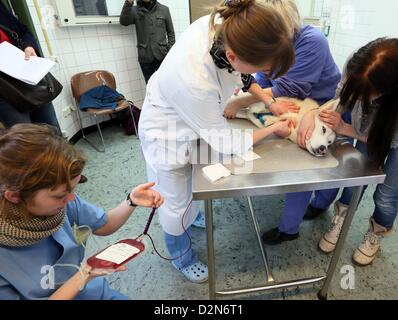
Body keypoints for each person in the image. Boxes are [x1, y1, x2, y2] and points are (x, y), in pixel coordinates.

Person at [138, 0, 296, 283]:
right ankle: (180, 255)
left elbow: (244, 75)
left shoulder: (226, 29)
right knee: (174, 202)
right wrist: (273, 130)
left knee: (194, 183)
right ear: (234, 56)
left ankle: (192, 212)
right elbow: (226, 142)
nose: (263, 72)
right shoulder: (195, 80)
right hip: (167, 134)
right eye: (263, 66)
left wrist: (270, 104)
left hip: (197, 120)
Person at [222, 0, 342, 245]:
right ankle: (299, 216)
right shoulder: (272, 43)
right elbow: (262, 77)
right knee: (294, 158)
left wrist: (238, 103)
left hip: (323, 107)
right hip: (293, 102)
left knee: (313, 165)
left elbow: (288, 86)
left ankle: (305, 216)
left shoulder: (313, 42)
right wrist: (250, 96)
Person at [0, 124, 164, 300]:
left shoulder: (63, 203)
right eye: (61, 195)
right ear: (14, 196)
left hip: (91, 292)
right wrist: (85, 273)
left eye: (72, 190)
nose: (71, 199)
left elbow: (105, 224)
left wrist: (131, 201)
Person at [307, 38, 398, 266]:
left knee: (386, 197)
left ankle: (375, 235)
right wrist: (315, 114)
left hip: (390, 132)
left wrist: (347, 129)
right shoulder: (357, 63)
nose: (359, 97)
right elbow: (340, 98)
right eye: (357, 88)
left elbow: (392, 139)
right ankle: (342, 220)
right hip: (365, 128)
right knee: (355, 178)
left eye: (367, 92)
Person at [0, 1, 60, 130]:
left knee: (51, 128)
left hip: (28, 77)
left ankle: (59, 150)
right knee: (25, 138)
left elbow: (24, 31)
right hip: (4, 91)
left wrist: (29, 46)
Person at [120, 0, 176, 83]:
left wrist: (169, 52)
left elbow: (171, 33)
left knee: (166, 83)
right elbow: (124, 22)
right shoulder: (135, 10)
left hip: (162, 55)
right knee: (150, 85)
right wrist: (128, 3)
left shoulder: (164, 10)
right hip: (145, 57)